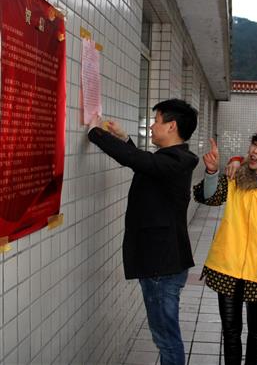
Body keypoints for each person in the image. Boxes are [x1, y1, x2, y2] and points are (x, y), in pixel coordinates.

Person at [87, 99, 199, 365]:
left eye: (156, 121)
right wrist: (125, 139)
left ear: (171, 126)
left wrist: (95, 132)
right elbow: (145, 164)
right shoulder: (172, 159)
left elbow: (139, 161)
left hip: (162, 265)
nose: (151, 126)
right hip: (163, 263)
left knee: (166, 339)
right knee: (165, 335)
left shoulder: (177, 160)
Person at [193, 130, 257, 365]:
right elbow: (209, 197)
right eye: (254, 145)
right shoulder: (236, 178)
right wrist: (212, 172)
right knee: (231, 330)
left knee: (256, 330)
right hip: (227, 265)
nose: (255, 151)